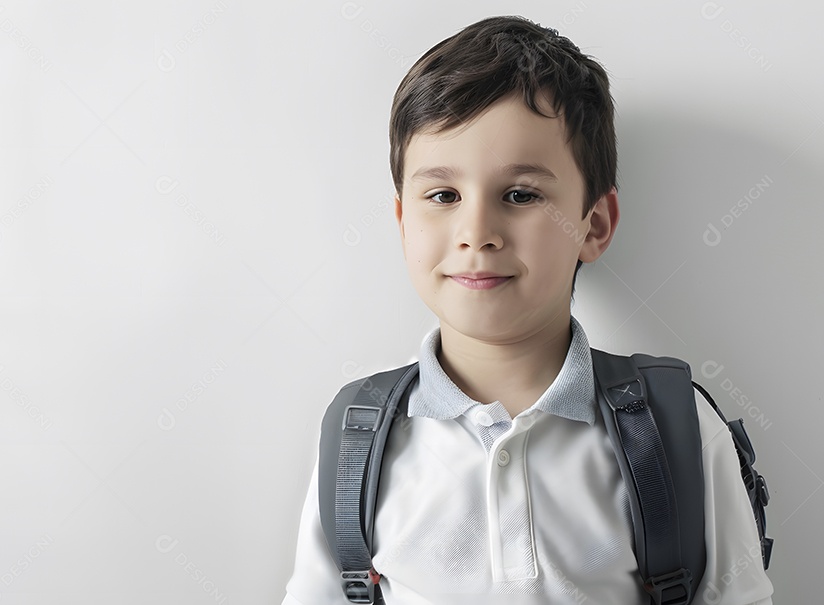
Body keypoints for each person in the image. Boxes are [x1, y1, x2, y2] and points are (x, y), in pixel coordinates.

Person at [280, 15, 774, 605]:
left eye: (520, 195)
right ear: (404, 221)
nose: (477, 232)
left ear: (594, 224)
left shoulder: (675, 426)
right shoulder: (356, 439)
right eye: (443, 195)